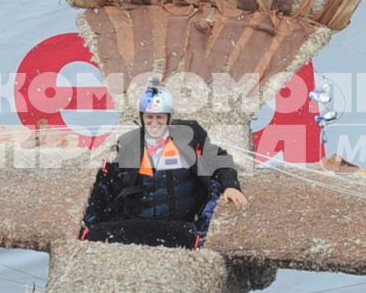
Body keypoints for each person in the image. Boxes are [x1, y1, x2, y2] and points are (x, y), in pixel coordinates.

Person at [80, 84, 248, 248]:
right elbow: (107, 186)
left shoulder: (189, 134)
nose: (154, 123)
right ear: (142, 118)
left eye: (160, 117)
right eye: (149, 117)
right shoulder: (128, 142)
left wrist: (231, 186)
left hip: (182, 225)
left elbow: (220, 158)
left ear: (169, 117)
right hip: (137, 225)